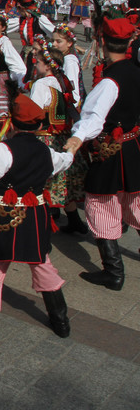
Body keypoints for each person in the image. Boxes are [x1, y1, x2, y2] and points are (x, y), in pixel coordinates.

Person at [0, 94, 74, 370]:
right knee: (42, 265)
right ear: (40, 125)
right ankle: (62, 323)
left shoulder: (5, 150)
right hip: (35, 217)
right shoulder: (46, 151)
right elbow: (62, 162)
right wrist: (72, 149)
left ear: (13, 123)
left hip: (4, 218)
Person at [65, 17, 140, 291]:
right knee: (135, 201)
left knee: (100, 204)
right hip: (133, 146)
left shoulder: (111, 80)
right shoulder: (135, 70)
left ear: (102, 42)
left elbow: (95, 118)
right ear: (130, 42)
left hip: (112, 149)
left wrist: (76, 138)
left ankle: (114, 272)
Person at [28, 47, 88, 233]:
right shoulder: (62, 83)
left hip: (46, 139)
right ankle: (74, 220)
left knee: (43, 185)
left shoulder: (42, 84)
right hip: (63, 139)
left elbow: (34, 114)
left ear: (47, 66)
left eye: (37, 62)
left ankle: (43, 227)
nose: (35, 64)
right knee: (62, 183)